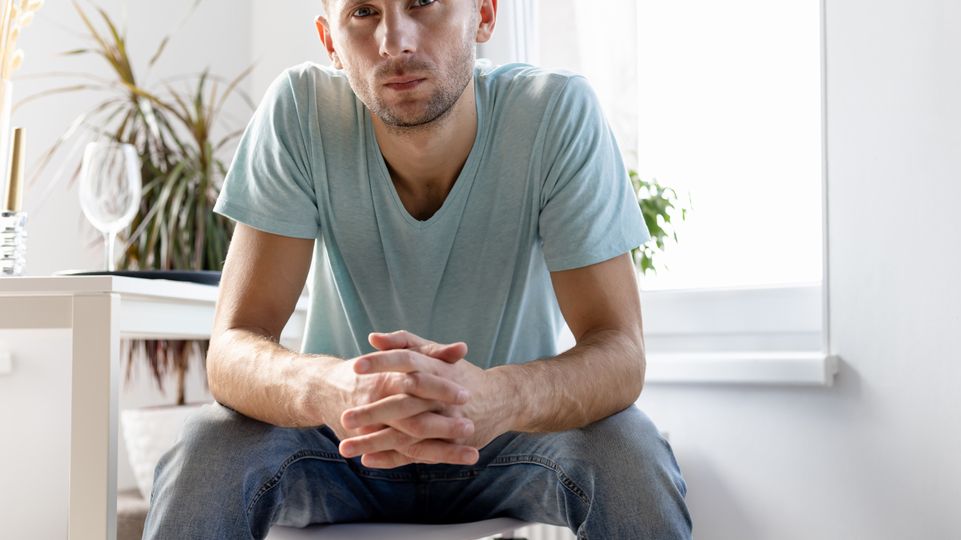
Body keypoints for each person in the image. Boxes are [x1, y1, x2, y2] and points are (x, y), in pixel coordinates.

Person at [143, 0, 691, 538]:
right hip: (343, 441)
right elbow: (232, 348)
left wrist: (503, 397)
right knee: (206, 446)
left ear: (485, 13)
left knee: (629, 452)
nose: (394, 42)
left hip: (513, 438)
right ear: (330, 41)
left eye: (423, 2)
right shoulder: (300, 109)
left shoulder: (554, 112)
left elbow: (620, 351)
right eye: (363, 12)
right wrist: (331, 389)